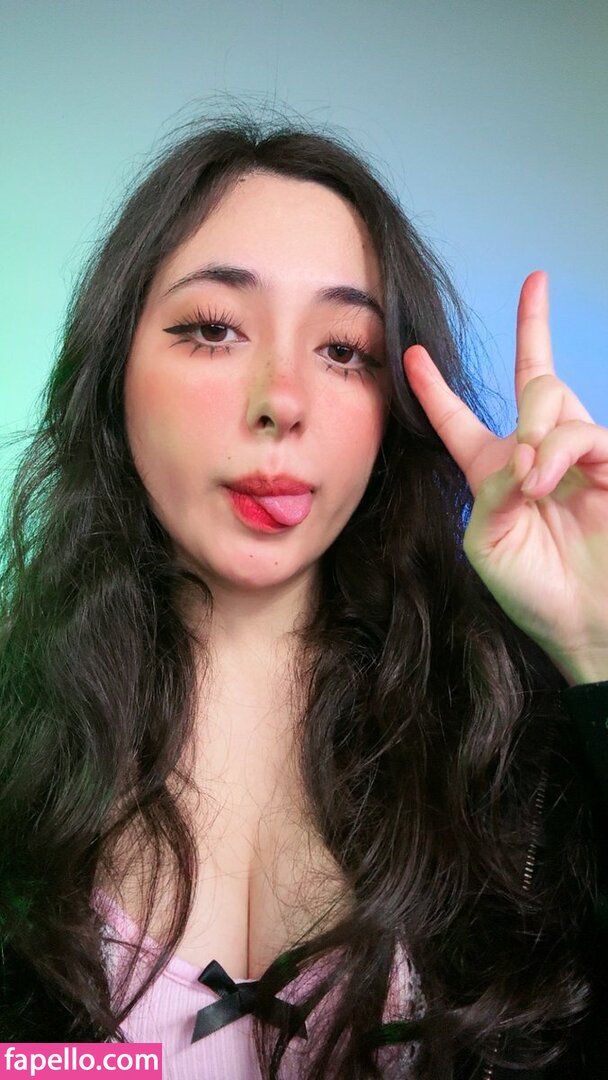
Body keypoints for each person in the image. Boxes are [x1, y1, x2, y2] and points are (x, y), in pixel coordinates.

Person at [0, 111, 606, 1080]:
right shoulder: (14, 733)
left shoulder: (501, 731)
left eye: (344, 350)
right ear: (114, 370)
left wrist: (594, 645)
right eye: (213, 330)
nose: (281, 400)